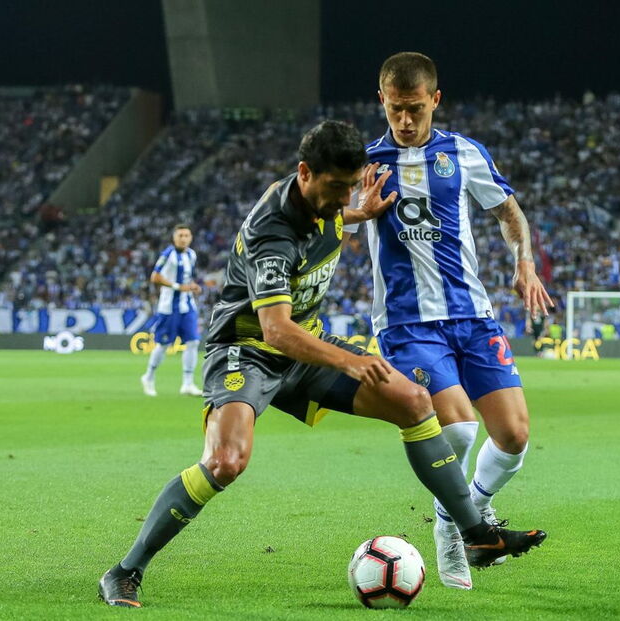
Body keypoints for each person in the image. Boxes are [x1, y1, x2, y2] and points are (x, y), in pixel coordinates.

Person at [98, 121, 546, 608]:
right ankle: (125, 570)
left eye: (348, 187)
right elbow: (275, 330)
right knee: (226, 462)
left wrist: (363, 208)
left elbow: (336, 226)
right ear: (304, 173)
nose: (342, 200)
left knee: (414, 401)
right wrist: (350, 364)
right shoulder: (274, 229)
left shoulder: (332, 201)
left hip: (305, 345)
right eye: (335, 188)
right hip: (247, 350)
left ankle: (476, 533)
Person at [358, 52, 553, 590]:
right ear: (382, 101)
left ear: (435, 100)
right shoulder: (365, 163)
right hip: (407, 324)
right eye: (395, 109)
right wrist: (356, 214)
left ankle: (465, 513)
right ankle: (453, 531)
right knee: (461, 429)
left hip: (472, 315)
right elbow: (327, 222)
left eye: (414, 108)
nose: (404, 120)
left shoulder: (464, 153)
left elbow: (508, 212)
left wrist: (524, 263)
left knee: (513, 435)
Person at [140, 224, 203, 397]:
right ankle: (149, 377)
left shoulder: (192, 254)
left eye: (186, 235)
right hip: (169, 307)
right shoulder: (168, 255)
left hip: (188, 306)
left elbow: (187, 278)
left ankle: (188, 384)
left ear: (191, 238)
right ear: (174, 238)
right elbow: (155, 276)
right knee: (163, 344)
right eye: (180, 235)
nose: (183, 238)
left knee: (193, 342)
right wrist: (178, 286)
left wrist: (192, 286)